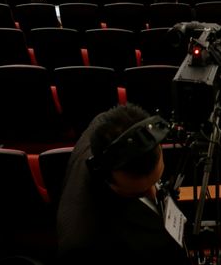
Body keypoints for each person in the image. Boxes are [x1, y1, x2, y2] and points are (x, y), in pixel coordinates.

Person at [57, 104, 189, 264]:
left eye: (155, 181)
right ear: (104, 175)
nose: (154, 194)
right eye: (137, 193)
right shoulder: (84, 248)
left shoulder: (104, 127)